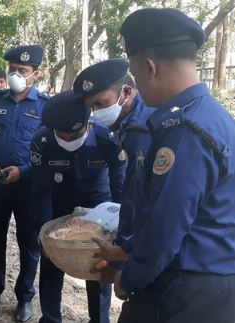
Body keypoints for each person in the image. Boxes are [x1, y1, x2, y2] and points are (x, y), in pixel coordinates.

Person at [113, 8, 235, 323]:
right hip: (211, 284)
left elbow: (165, 227)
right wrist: (126, 250)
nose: (137, 84)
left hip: (182, 289)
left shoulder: (185, 132)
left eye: (136, 75)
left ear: (150, 67)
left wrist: (129, 279)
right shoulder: (213, 117)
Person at [30, 90, 127, 323]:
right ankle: (51, 318)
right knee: (51, 261)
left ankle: (99, 319)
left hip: (98, 203)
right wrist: (43, 234)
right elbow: (39, 191)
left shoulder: (106, 138)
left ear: (87, 124)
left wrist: (120, 228)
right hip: (59, 202)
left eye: (75, 135)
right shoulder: (42, 142)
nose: (69, 140)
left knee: (97, 264)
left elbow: (120, 185)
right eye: (63, 135)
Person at [0, 45, 49, 322]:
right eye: (13, 69)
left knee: (29, 243)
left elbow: (50, 151)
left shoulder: (45, 107)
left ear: (36, 74)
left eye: (23, 71)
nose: (16, 74)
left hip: (29, 188)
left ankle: (25, 297)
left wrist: (24, 170)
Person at [73, 59, 155, 279]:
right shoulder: (129, 121)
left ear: (126, 92)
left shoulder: (140, 128)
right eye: (92, 108)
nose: (97, 112)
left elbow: (140, 194)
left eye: (101, 103)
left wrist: (123, 253)